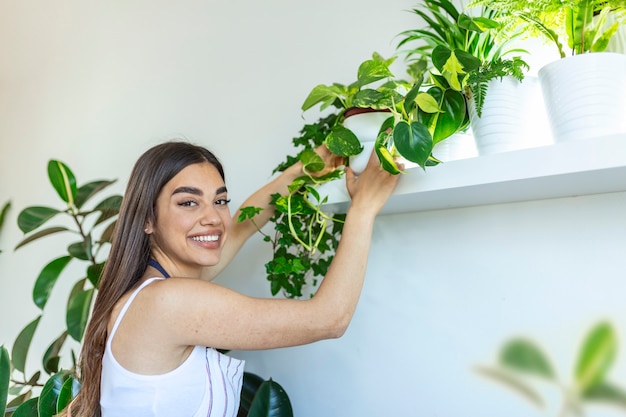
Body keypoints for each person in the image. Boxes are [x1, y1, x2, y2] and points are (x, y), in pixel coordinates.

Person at [62, 140, 400, 417]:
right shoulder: (168, 301)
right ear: (147, 219)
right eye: (189, 202)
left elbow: (239, 224)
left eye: (219, 200)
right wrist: (364, 208)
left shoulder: (146, 293)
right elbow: (329, 319)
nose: (213, 217)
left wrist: (303, 170)